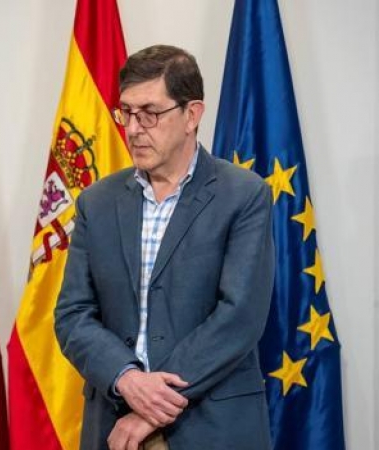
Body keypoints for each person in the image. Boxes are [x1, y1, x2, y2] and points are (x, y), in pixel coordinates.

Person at [54, 45, 275, 450]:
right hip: (113, 423)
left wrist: (150, 405)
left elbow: (239, 316)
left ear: (192, 115)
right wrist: (127, 379)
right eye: (126, 113)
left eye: (150, 113)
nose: (134, 128)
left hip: (212, 425)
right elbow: (72, 314)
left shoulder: (244, 195)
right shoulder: (96, 202)